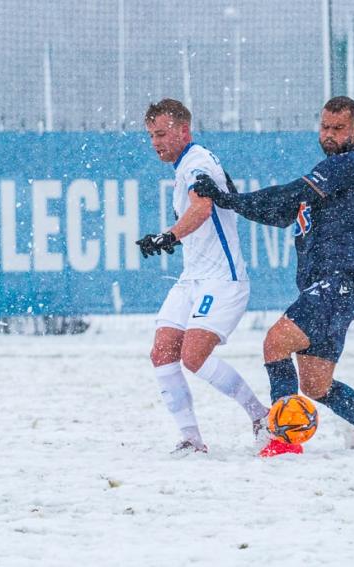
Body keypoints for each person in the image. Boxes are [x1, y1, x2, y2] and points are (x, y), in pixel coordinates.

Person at [191, 96, 354, 457]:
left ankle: (284, 440)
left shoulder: (350, 165)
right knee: (317, 385)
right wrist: (233, 198)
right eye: (325, 127)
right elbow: (279, 212)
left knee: (275, 343)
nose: (330, 135)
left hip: (340, 282)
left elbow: (291, 193)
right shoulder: (328, 173)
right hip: (337, 287)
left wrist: (226, 198)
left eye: (339, 128)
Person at [138, 98, 268, 455]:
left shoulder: (198, 163)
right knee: (162, 351)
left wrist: (168, 236)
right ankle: (191, 440)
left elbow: (202, 205)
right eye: (151, 136)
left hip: (222, 280)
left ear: (184, 130)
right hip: (193, 278)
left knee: (193, 356)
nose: (156, 142)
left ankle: (261, 417)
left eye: (162, 134)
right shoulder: (184, 165)